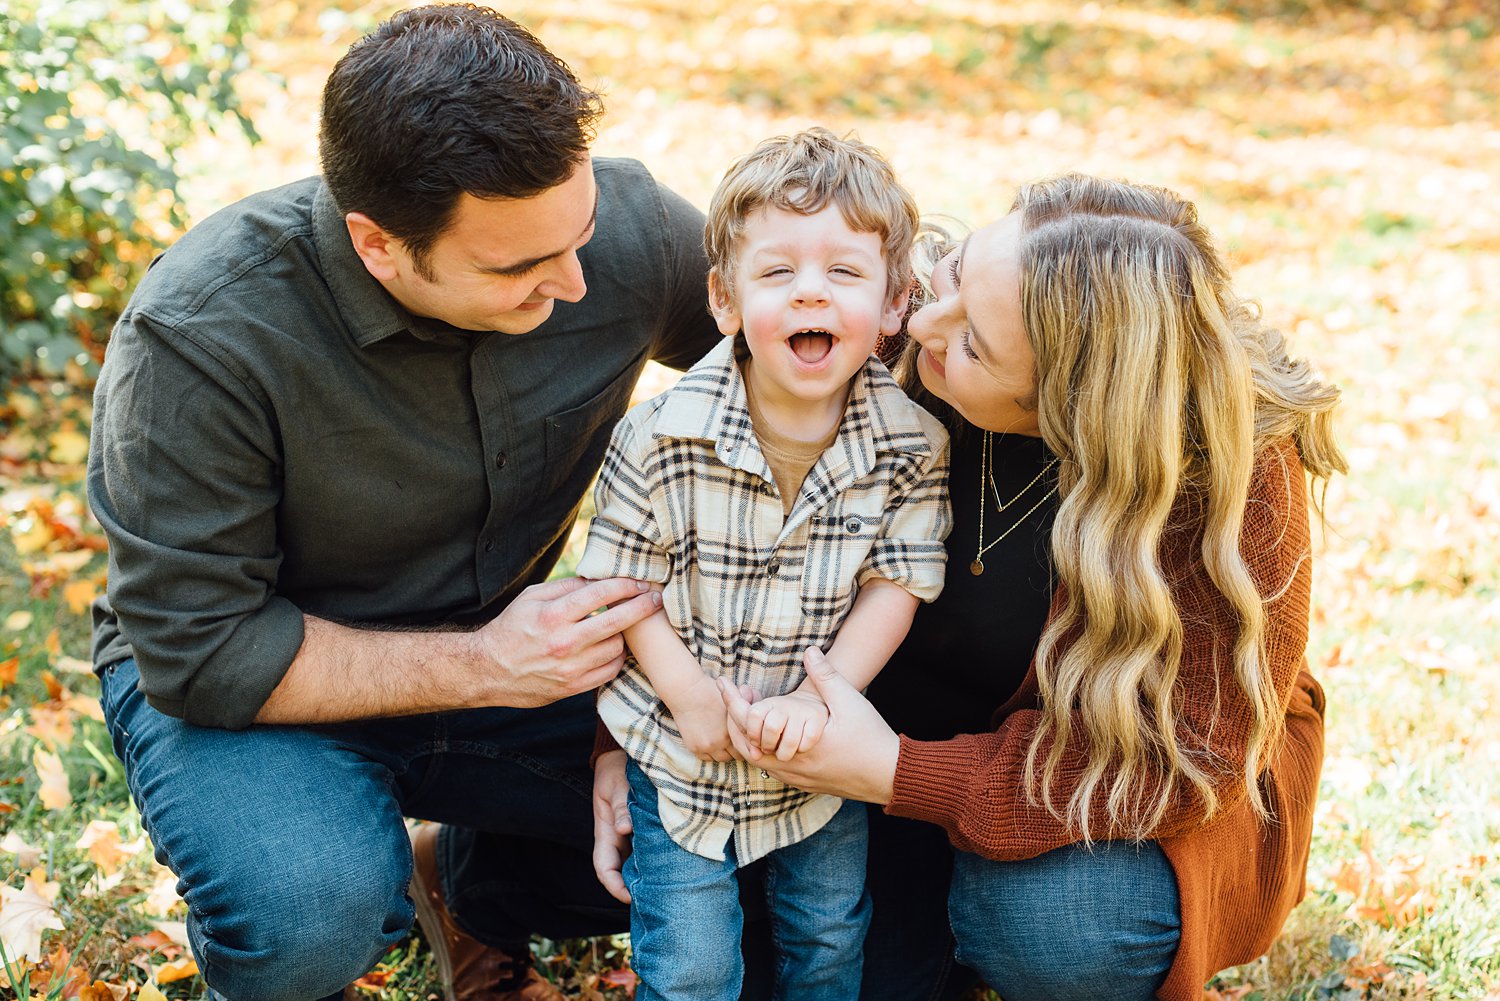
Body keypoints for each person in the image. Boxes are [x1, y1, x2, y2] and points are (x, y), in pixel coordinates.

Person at [85, 6, 723, 1000]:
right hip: (253, 688)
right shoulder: (201, 337)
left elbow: (808, 348)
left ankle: (478, 889)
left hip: (515, 659)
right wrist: (481, 663)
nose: (574, 282)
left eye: (581, 234)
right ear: (378, 245)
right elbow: (202, 650)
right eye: (517, 268)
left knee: (760, 805)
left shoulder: (620, 234)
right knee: (311, 904)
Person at [595, 172, 1344, 1000]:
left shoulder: (1228, 477)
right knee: (732, 930)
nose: (921, 324)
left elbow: (1185, 759)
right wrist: (628, 736)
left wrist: (895, 773)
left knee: (1058, 923)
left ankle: (978, 915)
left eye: (975, 346)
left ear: (1069, 407)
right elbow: (692, 517)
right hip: (841, 734)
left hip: (1084, 776)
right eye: (952, 276)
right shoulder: (879, 323)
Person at [576, 128, 951, 1001]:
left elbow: (898, 582)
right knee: (693, 957)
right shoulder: (661, 432)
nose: (810, 292)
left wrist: (827, 699)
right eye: (778, 272)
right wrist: (688, 694)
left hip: (820, 746)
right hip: (682, 744)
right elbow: (623, 585)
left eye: (845, 275)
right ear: (725, 298)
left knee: (826, 934)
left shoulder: (910, 443)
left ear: (895, 304)